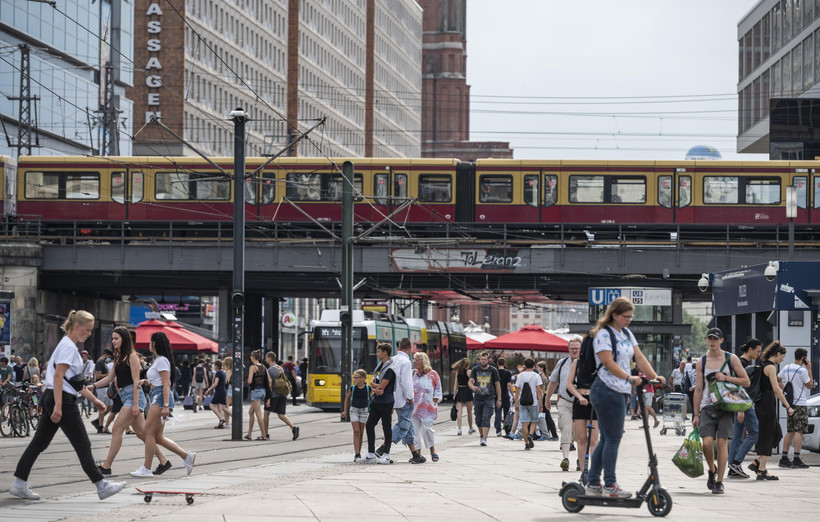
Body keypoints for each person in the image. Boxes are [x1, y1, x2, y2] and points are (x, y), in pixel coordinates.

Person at [9, 310, 125, 500]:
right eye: (87, 330)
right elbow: (58, 376)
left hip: (53, 396)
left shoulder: (67, 346)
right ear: (76, 327)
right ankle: (101, 485)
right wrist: (59, 405)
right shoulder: (68, 348)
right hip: (60, 398)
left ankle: (19, 483)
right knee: (82, 443)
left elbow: (75, 382)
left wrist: (95, 400)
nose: (88, 334)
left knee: (39, 442)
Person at [585, 298, 665, 499]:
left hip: (619, 390)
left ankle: (594, 482)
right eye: (625, 316)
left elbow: (639, 358)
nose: (629, 320)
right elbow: (607, 361)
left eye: (631, 316)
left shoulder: (627, 334)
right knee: (613, 437)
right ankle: (610, 484)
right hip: (605, 388)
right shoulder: (603, 334)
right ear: (614, 315)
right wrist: (629, 377)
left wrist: (654, 376)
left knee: (607, 437)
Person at [92, 326, 169, 476]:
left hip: (134, 397)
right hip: (126, 396)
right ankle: (164, 461)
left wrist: (135, 404)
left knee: (116, 429)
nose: (113, 341)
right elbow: (109, 378)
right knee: (142, 434)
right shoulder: (119, 356)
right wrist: (92, 386)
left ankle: (107, 466)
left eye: (116, 338)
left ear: (124, 339)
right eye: (112, 338)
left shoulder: (132, 356)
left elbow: (136, 382)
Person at [130, 332, 196, 478]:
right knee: (157, 437)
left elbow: (166, 384)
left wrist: (166, 405)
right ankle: (186, 456)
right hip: (157, 395)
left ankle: (146, 468)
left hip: (160, 398)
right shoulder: (159, 360)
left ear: (155, 343)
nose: (148, 343)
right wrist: (146, 382)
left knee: (148, 433)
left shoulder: (162, 361)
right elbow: (159, 381)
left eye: (150, 341)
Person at [692, 327, 750, 494]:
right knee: (707, 443)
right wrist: (695, 414)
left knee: (723, 443)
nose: (712, 342)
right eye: (710, 339)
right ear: (706, 340)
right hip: (706, 407)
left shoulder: (731, 359)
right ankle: (712, 469)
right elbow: (698, 389)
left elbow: (746, 381)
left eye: (715, 339)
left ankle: (719, 482)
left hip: (726, 406)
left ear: (721, 341)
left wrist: (726, 377)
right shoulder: (701, 362)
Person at [748, 341, 791, 480]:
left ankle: (758, 463)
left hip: (763, 403)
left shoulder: (763, 365)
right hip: (767, 403)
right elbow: (776, 389)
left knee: (776, 433)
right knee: (767, 435)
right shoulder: (770, 367)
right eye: (782, 357)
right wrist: (788, 406)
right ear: (777, 354)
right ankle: (761, 470)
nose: (783, 359)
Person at [379, 338, 425, 464]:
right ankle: (383, 447)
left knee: (408, 425)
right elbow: (406, 383)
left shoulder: (392, 359)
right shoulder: (406, 362)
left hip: (392, 397)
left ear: (399, 347)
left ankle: (415, 454)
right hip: (403, 399)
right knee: (403, 426)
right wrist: (410, 398)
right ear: (410, 348)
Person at [727, 338, 762, 479]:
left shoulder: (742, 363)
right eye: (758, 351)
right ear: (750, 350)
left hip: (738, 402)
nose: (759, 354)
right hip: (743, 403)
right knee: (754, 433)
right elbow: (737, 386)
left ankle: (732, 468)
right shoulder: (742, 363)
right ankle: (736, 462)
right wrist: (741, 408)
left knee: (738, 434)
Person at [547, 336, 581, 471]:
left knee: (580, 433)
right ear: (568, 349)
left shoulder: (586, 364)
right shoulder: (562, 363)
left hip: (581, 403)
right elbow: (553, 381)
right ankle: (565, 458)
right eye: (571, 348)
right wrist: (547, 398)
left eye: (576, 348)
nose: (574, 351)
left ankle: (580, 460)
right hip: (565, 401)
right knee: (566, 428)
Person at [777, 347, 813, 469]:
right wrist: (809, 369)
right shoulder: (802, 370)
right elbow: (810, 385)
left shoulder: (786, 368)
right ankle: (796, 459)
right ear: (804, 358)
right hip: (800, 404)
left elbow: (778, 379)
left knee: (790, 430)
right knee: (799, 431)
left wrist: (785, 390)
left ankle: (784, 458)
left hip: (790, 404)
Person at [359, 343, 395, 464]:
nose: (377, 353)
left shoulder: (390, 369)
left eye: (379, 351)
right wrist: (375, 387)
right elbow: (375, 384)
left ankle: (386, 454)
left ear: (385, 353)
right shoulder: (380, 367)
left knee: (386, 427)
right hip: (377, 401)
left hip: (386, 402)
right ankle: (371, 453)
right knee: (369, 425)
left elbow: (381, 386)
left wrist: (374, 386)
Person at [566, 350, 598, 474]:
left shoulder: (601, 363)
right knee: (581, 438)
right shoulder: (577, 363)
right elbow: (569, 384)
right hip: (580, 400)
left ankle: (594, 472)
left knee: (594, 439)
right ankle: (583, 471)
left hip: (595, 401)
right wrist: (579, 397)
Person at [411, 352, 442, 462]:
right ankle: (417, 454)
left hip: (428, 408)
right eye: (414, 360)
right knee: (415, 431)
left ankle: (432, 450)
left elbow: (438, 390)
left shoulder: (433, 374)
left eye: (417, 360)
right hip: (415, 408)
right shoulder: (413, 374)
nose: (414, 362)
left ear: (423, 361)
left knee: (426, 430)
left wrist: (434, 401)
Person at [263, 352, 300, 441]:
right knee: (281, 414)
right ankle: (293, 427)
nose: (265, 359)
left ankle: (265, 434)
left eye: (266, 358)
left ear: (270, 358)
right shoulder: (280, 368)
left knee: (266, 413)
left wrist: (268, 398)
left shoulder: (270, 370)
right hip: (282, 394)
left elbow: (270, 384)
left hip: (274, 396)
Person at [468, 351, 501, 446]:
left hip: (489, 398)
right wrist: (472, 387)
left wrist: (499, 399)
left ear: (488, 360)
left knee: (486, 418)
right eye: (481, 359)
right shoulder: (475, 369)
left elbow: (497, 385)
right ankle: (481, 435)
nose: (483, 361)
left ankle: (484, 439)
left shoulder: (493, 370)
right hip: (478, 398)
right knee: (478, 419)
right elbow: (470, 382)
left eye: (485, 359)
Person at [514, 358, 543, 450]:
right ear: (534, 365)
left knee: (524, 422)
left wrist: (516, 403)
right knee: (534, 421)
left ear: (525, 365)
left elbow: (517, 391)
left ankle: (526, 444)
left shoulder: (520, 376)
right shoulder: (536, 376)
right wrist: (541, 404)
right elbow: (539, 391)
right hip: (533, 402)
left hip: (522, 402)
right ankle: (531, 434)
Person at [342, 369, 370, 461]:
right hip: (354, 410)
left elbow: (372, 398)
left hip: (364, 410)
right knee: (356, 431)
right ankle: (357, 453)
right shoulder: (352, 388)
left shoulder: (368, 388)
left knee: (361, 432)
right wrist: (345, 411)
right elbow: (347, 398)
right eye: (354, 377)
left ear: (362, 378)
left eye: (356, 377)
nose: (354, 379)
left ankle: (359, 452)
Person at [245, 350, 268, 440]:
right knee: (251, 412)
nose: (250, 358)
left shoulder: (252, 367)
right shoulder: (263, 367)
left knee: (258, 414)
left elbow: (250, 381)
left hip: (256, 391)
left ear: (253, 357)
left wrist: (248, 379)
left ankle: (263, 435)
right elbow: (268, 380)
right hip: (262, 391)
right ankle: (249, 434)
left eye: (251, 356)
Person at [91, 349, 113, 434]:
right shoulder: (99, 363)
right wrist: (109, 375)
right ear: (105, 355)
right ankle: (100, 427)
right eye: (108, 357)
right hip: (101, 388)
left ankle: (98, 420)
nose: (109, 359)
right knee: (102, 407)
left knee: (111, 405)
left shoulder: (104, 363)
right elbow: (98, 375)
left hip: (106, 387)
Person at [451, 357, 475, 435]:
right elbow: (473, 382)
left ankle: (459, 429)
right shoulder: (469, 372)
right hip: (467, 391)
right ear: (467, 365)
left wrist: (454, 393)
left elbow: (455, 384)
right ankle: (470, 428)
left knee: (460, 411)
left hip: (460, 391)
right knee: (469, 412)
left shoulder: (458, 372)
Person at [535, 361, 558, 440]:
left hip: (543, 397)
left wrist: (541, 401)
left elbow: (543, 390)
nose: (536, 368)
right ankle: (547, 433)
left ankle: (553, 435)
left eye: (537, 367)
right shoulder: (543, 376)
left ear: (542, 368)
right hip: (543, 397)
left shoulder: (542, 377)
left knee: (547, 417)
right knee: (545, 417)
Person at [204, 359, 229, 429]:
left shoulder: (218, 373)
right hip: (223, 391)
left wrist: (208, 390)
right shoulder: (223, 372)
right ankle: (221, 424)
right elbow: (226, 382)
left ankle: (221, 419)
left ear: (216, 366)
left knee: (211, 406)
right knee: (220, 408)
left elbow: (215, 383)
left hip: (219, 391)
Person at [493, 357, 512, 437]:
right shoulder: (508, 373)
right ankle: (507, 430)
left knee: (498, 412)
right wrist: (513, 395)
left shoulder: (494, 372)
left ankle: (498, 430)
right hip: (505, 394)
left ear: (497, 363)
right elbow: (509, 384)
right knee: (506, 413)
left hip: (496, 395)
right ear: (504, 363)